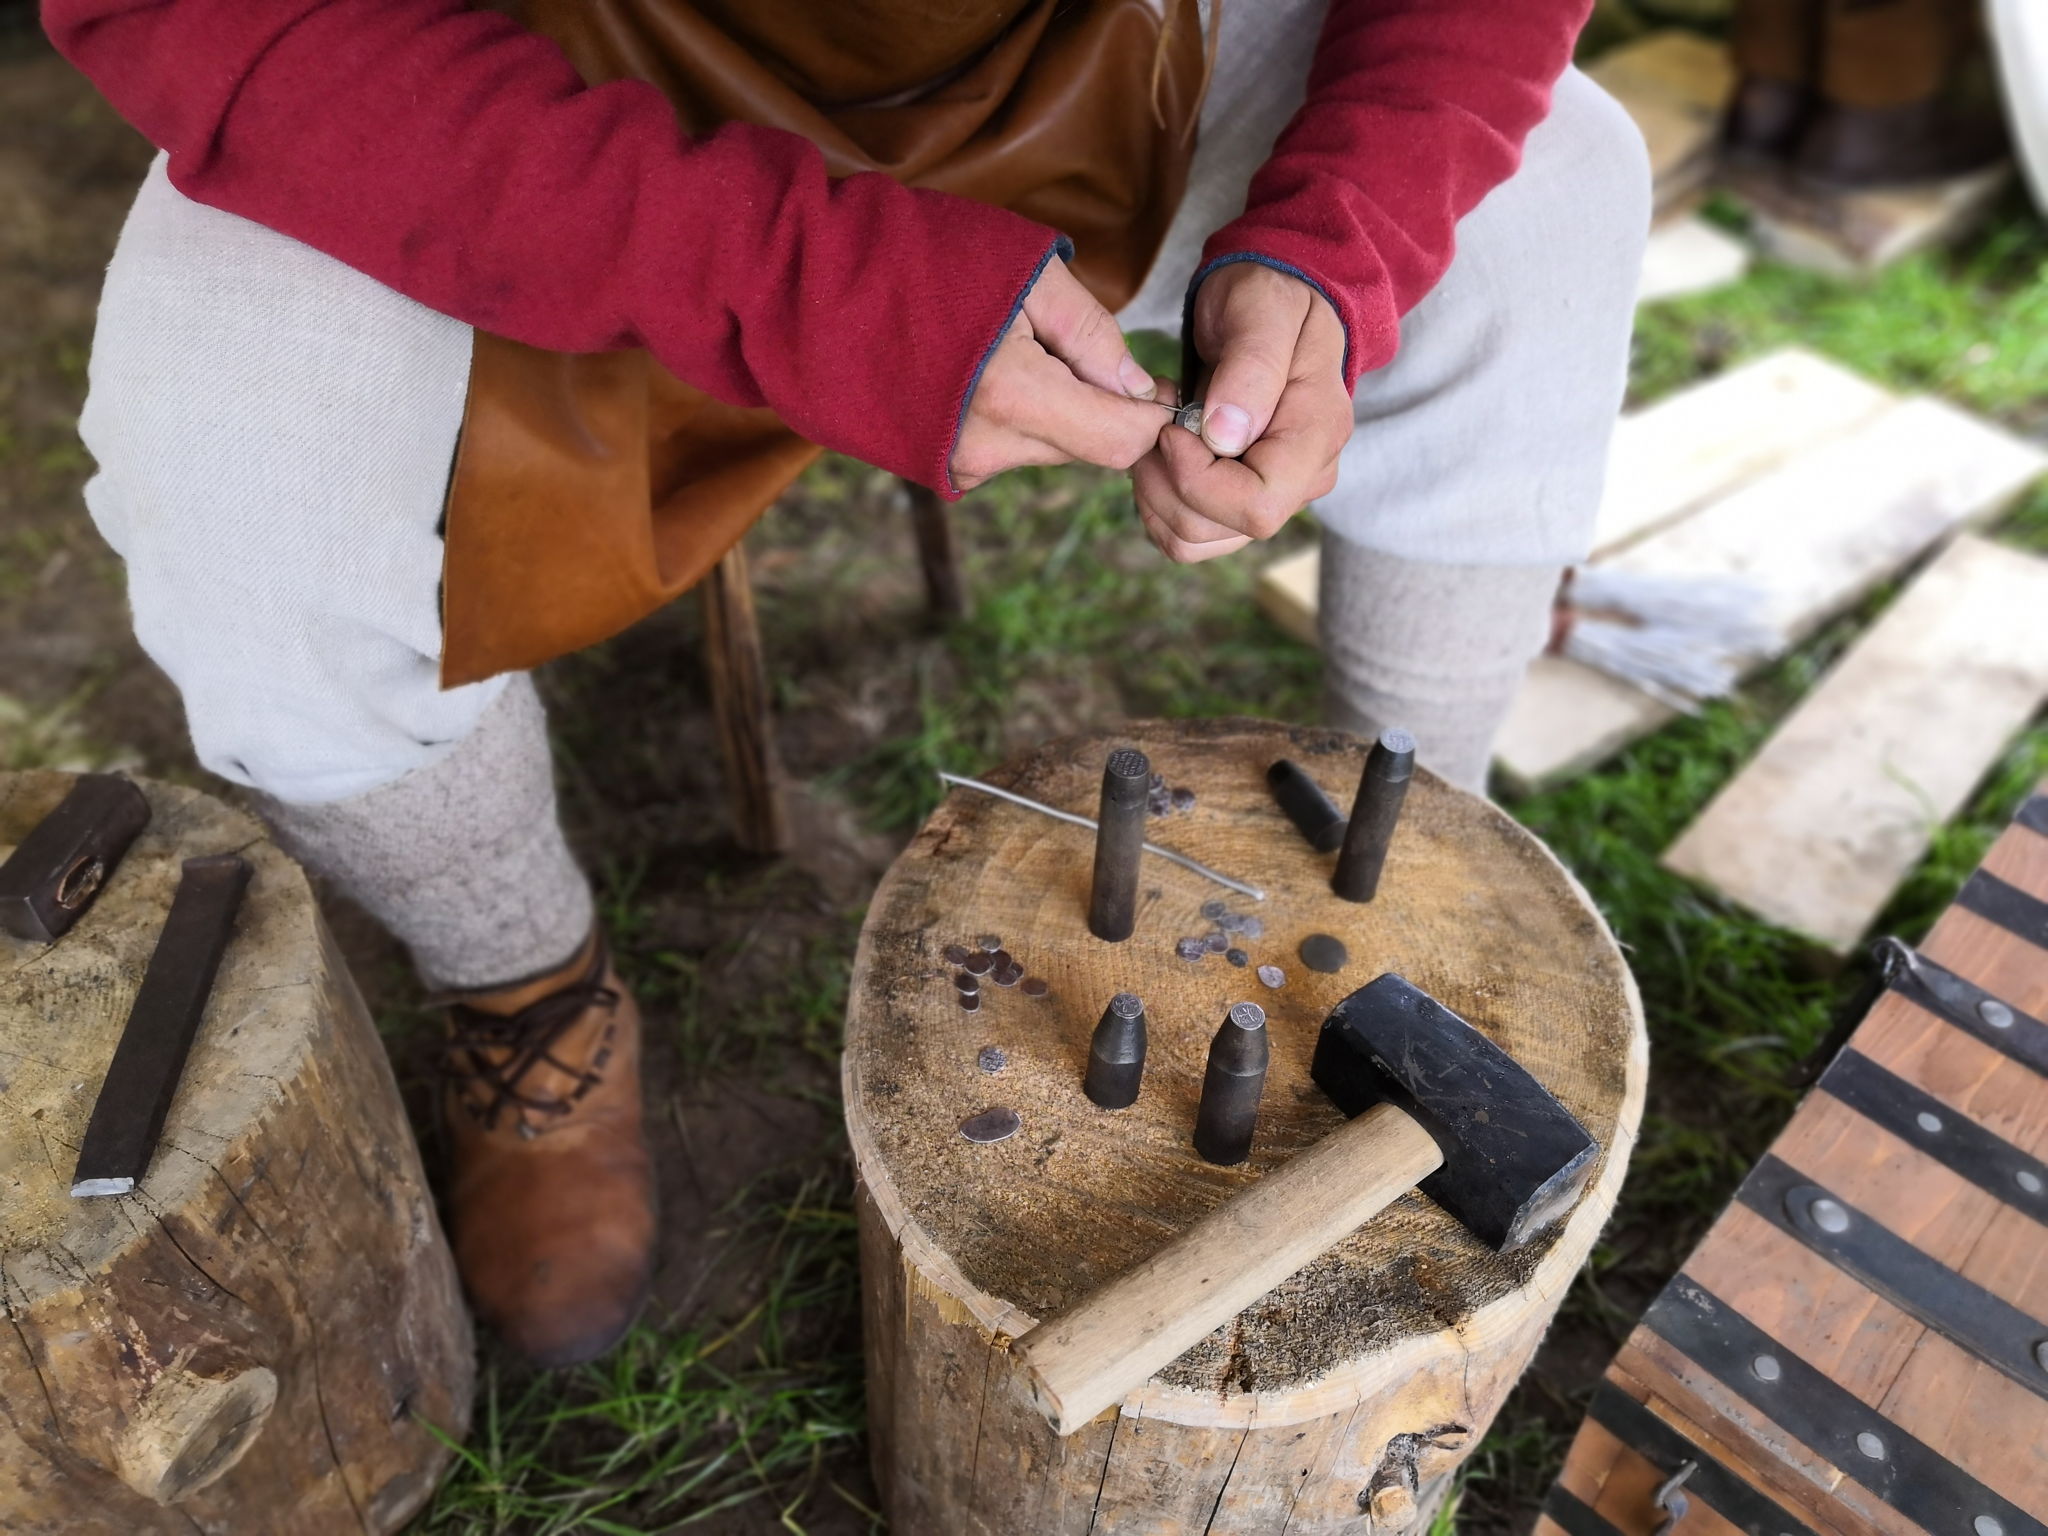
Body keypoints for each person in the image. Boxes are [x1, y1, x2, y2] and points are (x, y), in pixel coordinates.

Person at [43, 0, 1649, 1366]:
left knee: (1552, 184)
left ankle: (1401, 886)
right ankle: (519, 985)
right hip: (521, 91)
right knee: (234, 474)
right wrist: (815, 285)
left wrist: (1338, 237)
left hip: (1106, 50)